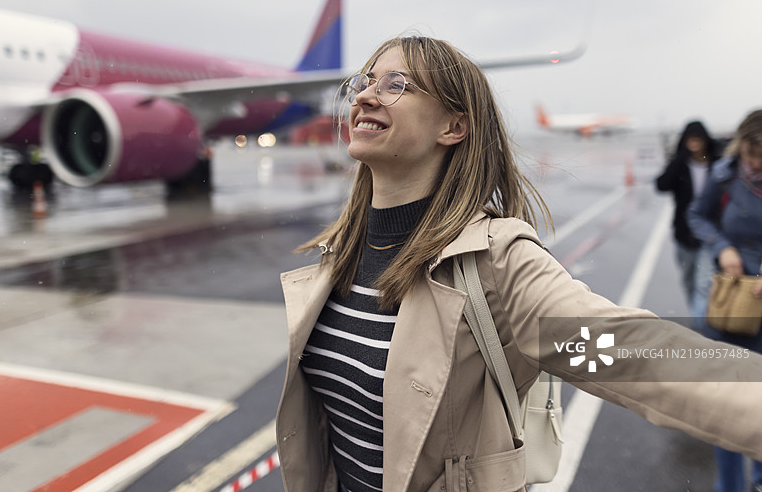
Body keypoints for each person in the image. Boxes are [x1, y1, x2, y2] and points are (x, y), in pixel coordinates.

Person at [275, 36, 762, 492]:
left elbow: (630, 350)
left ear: (454, 126)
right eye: (363, 82)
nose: (365, 96)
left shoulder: (495, 260)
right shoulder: (341, 249)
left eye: (395, 84)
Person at [688, 110, 762, 492]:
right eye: (752, 156)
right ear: (742, 148)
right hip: (735, 306)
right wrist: (722, 247)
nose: (757, 166)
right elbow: (697, 216)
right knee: (731, 404)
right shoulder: (725, 176)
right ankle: (730, 486)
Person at [655, 120, 719, 328]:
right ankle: (698, 319)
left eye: (698, 139)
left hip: (710, 233)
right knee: (689, 282)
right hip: (684, 234)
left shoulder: (716, 164)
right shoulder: (680, 164)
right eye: (690, 139)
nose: (695, 143)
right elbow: (662, 185)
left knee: (704, 284)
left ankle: (701, 331)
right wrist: (678, 159)